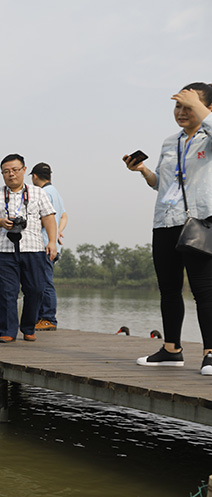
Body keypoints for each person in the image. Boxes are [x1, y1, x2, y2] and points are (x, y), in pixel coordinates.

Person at [123, 82, 212, 373]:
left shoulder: (208, 137)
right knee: (169, 290)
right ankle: (171, 350)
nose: (181, 112)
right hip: (164, 221)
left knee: (204, 290)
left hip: (199, 221)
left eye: (189, 106)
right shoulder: (169, 142)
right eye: (178, 106)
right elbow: (161, 183)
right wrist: (143, 170)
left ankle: (211, 353)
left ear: (208, 108)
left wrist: (200, 108)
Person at [0, 154, 57, 343]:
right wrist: (0, 222)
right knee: (7, 292)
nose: (11, 174)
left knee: (36, 289)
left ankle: (28, 327)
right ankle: (7, 331)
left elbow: (49, 218)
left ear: (24, 170)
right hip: (3, 250)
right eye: (6, 171)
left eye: (15, 170)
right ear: (2, 174)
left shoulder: (38, 193)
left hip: (33, 248)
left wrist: (52, 242)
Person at [30, 163, 68, 332]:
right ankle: (40, 318)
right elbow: (64, 216)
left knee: (44, 283)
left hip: (44, 245)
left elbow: (40, 219)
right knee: (42, 282)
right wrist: (57, 231)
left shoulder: (43, 193)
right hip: (52, 244)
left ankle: (48, 318)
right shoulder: (56, 193)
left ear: (35, 176)